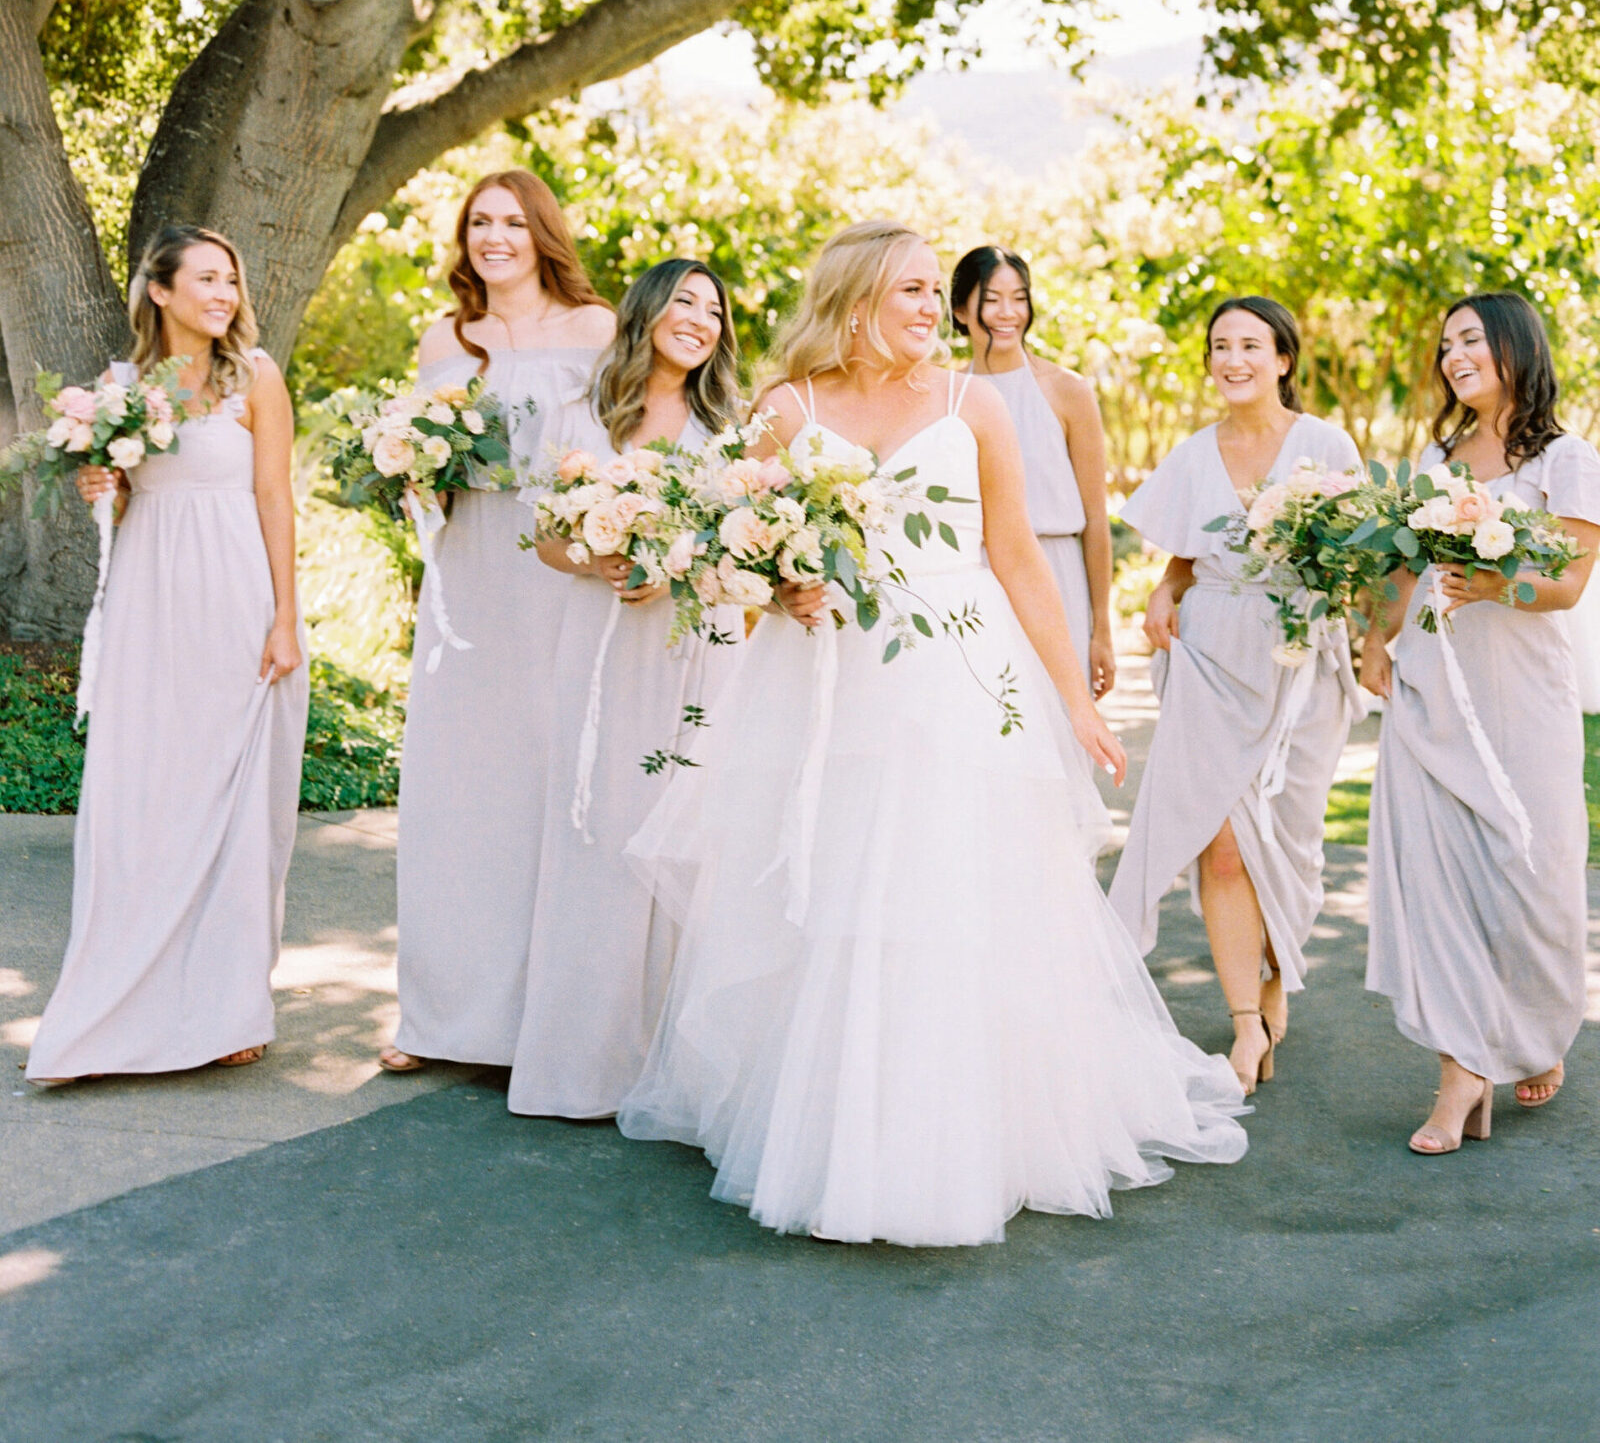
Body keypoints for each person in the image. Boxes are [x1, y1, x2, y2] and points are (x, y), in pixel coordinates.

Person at [617, 221, 1248, 1246]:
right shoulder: (787, 408)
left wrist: (1075, 696)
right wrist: (785, 586)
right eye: (909, 289)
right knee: (838, 885)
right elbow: (726, 550)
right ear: (856, 298)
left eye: (929, 290)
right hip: (831, 683)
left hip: (960, 675)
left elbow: (1015, 556)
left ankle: (961, 1132)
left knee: (951, 888)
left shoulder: (975, 403)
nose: (929, 307)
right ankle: (835, 1125)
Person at [28, 225, 307, 1083]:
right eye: (208, 279)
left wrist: (286, 618)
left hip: (236, 600)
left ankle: (228, 1008)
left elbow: (274, 495)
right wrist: (95, 483)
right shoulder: (117, 389)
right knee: (145, 800)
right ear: (161, 289)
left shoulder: (255, 376)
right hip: (152, 605)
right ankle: (113, 1006)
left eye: (233, 280)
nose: (225, 294)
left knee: (232, 806)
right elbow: (117, 509)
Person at [381, 170, 615, 1074]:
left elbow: (620, 442)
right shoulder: (446, 335)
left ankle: (545, 1017)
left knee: (552, 775)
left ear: (542, 231)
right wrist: (409, 472)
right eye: (480, 221)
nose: (495, 236)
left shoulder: (593, 330)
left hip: (559, 566)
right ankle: (440, 1019)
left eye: (513, 221)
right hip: (469, 567)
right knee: (460, 785)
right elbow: (424, 454)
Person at [1359, 293, 1599, 1154]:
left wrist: (1502, 585)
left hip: (1521, 686)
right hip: (1434, 671)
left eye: (1470, 338)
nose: (1453, 353)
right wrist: (1376, 638)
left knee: (1531, 862)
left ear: (1512, 347)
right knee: (1437, 868)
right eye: (1446, 340)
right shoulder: (1437, 453)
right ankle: (1461, 1072)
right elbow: (1400, 562)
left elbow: (1567, 585)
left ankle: (1534, 1031)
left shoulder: (1566, 458)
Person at [509, 260, 746, 1119]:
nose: (700, 318)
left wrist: (683, 567)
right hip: (604, 646)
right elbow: (541, 537)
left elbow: (742, 548)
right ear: (646, 310)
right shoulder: (579, 415)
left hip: (698, 648)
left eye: (715, 309)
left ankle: (677, 1068)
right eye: (685, 299)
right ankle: (586, 1064)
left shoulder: (729, 428)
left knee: (690, 837)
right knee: (600, 830)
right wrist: (597, 558)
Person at [1108, 298, 1364, 1092]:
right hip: (1212, 655)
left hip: (1297, 665)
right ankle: (1245, 1025)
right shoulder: (1193, 454)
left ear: (1283, 358)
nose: (1234, 358)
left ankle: (1277, 975)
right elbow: (1187, 552)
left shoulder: (1325, 445)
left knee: (1290, 845)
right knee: (1220, 842)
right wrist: (1165, 587)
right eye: (1220, 345)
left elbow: (1359, 556)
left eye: (1251, 344)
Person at [951, 244, 1116, 699]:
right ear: (961, 311)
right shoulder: (946, 397)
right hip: (977, 579)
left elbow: (1096, 519)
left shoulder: (1067, 392)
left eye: (1019, 297)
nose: (1008, 312)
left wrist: (1101, 629)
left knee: (1062, 720)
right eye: (991, 298)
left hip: (1058, 577)